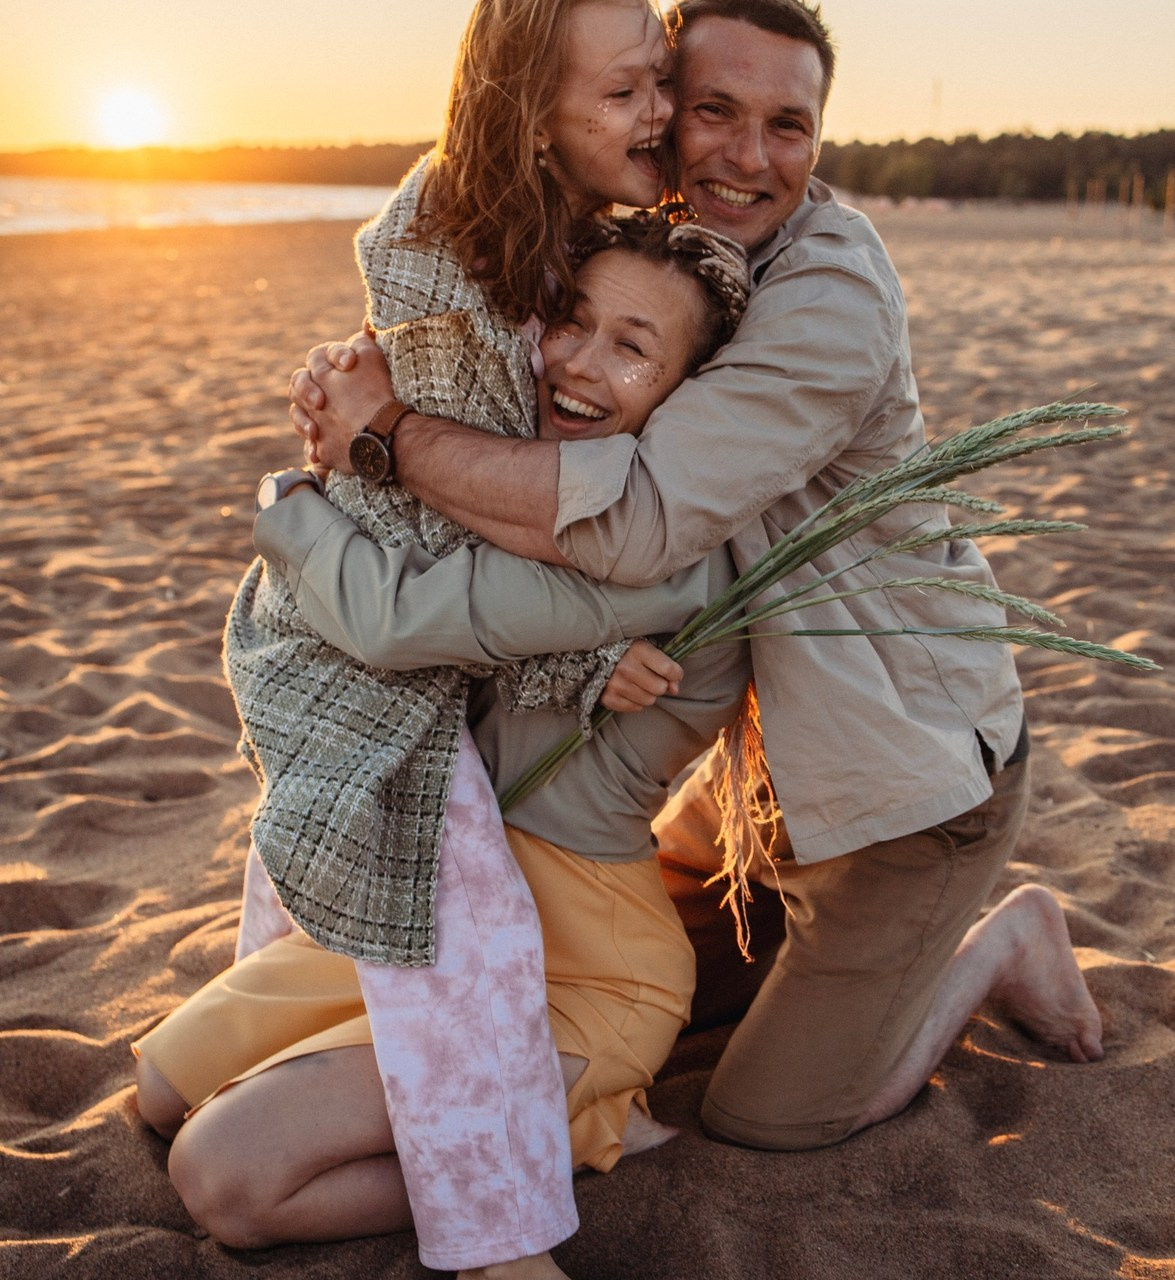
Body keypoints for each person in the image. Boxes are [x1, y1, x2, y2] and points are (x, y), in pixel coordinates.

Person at [290, 0, 1106, 1165]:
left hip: (899, 789)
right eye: (711, 108)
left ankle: (1001, 944)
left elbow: (634, 526)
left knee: (763, 1114)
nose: (745, 153)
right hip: (750, 787)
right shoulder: (655, 244)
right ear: (667, 107)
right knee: (648, 990)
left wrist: (387, 436)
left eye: (788, 124)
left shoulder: (829, 298)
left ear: (821, 137)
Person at [135, 217, 753, 1274]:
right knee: (159, 1087)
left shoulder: (658, 549)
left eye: (632, 347)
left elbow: (390, 617)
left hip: (580, 965)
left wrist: (288, 504)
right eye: (572, 321)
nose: (581, 364)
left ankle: (563, 1131)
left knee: (226, 1177)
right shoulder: (493, 478)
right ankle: (514, 1128)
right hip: (435, 907)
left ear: (683, 395)